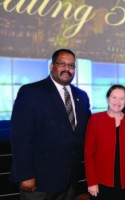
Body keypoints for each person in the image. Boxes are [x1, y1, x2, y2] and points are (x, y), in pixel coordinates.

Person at [10, 49, 91, 200]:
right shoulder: (31, 92)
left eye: (72, 65)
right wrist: (25, 175)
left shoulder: (82, 96)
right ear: (52, 66)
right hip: (39, 182)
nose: (67, 69)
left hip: (69, 181)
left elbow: (89, 129)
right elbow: (20, 137)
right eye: (62, 64)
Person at [84, 84, 125, 200]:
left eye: (122, 98)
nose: (117, 101)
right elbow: (88, 154)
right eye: (114, 97)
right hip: (100, 182)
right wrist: (91, 181)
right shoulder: (95, 120)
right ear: (107, 98)